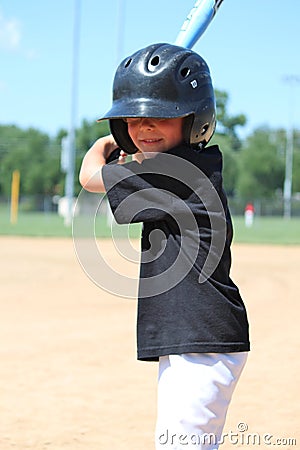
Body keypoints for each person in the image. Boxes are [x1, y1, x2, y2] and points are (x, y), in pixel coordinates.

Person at [79, 43, 250, 449]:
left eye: (159, 116)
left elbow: (89, 177)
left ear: (195, 118)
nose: (144, 127)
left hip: (200, 344)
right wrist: (131, 143)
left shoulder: (174, 174)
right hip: (197, 341)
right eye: (132, 119)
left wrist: (109, 141)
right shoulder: (191, 166)